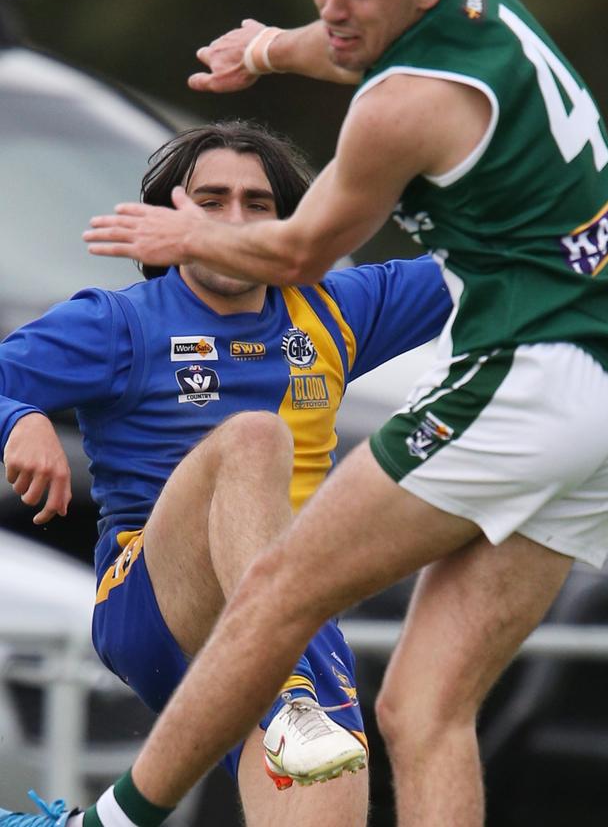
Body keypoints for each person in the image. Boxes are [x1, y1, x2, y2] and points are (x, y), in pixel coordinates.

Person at [6, 0, 608, 827]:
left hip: (525, 386)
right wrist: (270, 47)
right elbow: (352, 45)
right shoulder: (478, 10)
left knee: (285, 598)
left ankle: (113, 816)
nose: (333, 5)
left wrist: (189, 229)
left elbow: (302, 251)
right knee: (422, 702)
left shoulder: (393, 128)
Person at [0, 119, 456, 827]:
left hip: (298, 625)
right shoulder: (118, 322)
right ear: (166, 219)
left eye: (257, 205)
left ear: (293, 228)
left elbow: (523, 250)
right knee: (251, 439)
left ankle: (102, 821)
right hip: (156, 601)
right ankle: (289, 695)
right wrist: (19, 418)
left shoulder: (336, 310)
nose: (233, 220)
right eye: (210, 202)